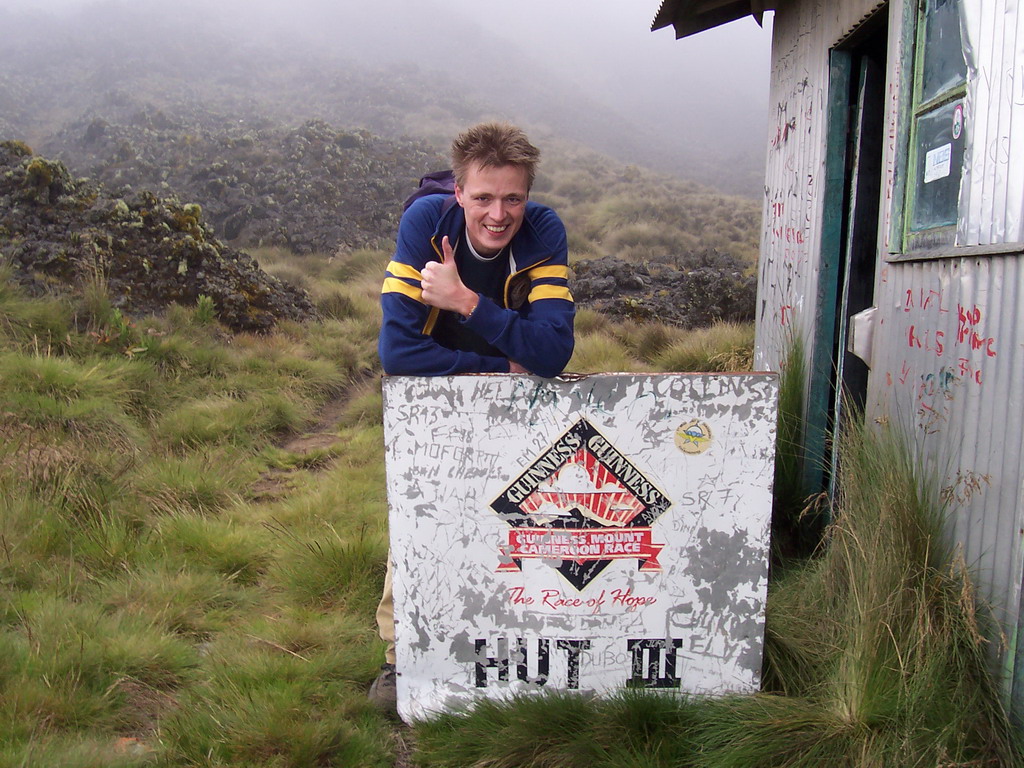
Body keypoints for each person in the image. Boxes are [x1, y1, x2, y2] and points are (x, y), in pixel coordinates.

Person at [370, 122, 575, 711]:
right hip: (434, 395)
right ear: (458, 193)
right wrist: (500, 360)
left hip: (507, 399)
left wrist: (465, 303)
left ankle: (507, 639)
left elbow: (554, 353)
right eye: (482, 197)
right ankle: (399, 657)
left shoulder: (543, 232)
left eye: (513, 197)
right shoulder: (425, 223)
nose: (498, 214)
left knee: (511, 516)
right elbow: (400, 354)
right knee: (423, 513)